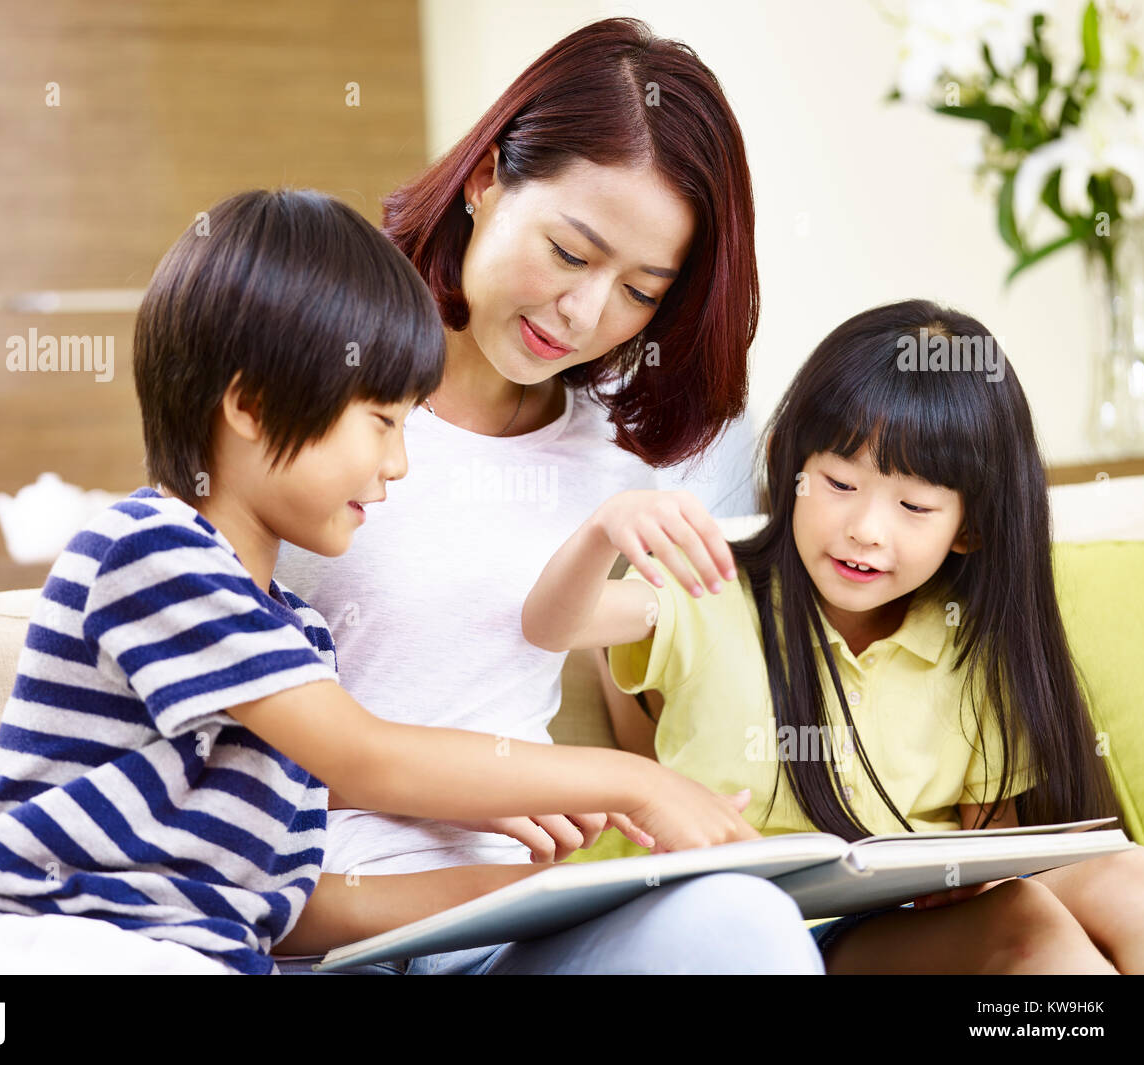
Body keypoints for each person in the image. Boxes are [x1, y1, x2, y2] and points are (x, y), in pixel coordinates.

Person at [0, 187, 785, 977]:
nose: (398, 464)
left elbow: (307, 893)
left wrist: (546, 887)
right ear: (249, 404)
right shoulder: (151, 552)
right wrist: (635, 785)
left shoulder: (292, 641)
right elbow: (368, 755)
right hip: (22, 949)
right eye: (381, 422)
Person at [269, 17, 818, 975]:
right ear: (486, 179)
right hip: (331, 911)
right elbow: (201, 711)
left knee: (747, 928)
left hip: (505, 930)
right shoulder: (319, 384)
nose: (586, 313)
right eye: (569, 253)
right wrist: (493, 782)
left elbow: (655, 697)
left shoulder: (614, 461)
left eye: (642, 290)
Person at [522, 298, 1144, 974]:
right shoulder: (708, 594)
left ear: (968, 527)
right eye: (840, 482)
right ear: (789, 467)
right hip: (757, 929)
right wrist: (601, 530)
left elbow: (989, 848)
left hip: (908, 924)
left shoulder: (970, 646)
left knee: (1130, 882)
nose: (867, 529)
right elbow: (553, 624)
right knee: (1030, 927)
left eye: (914, 506)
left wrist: (974, 880)